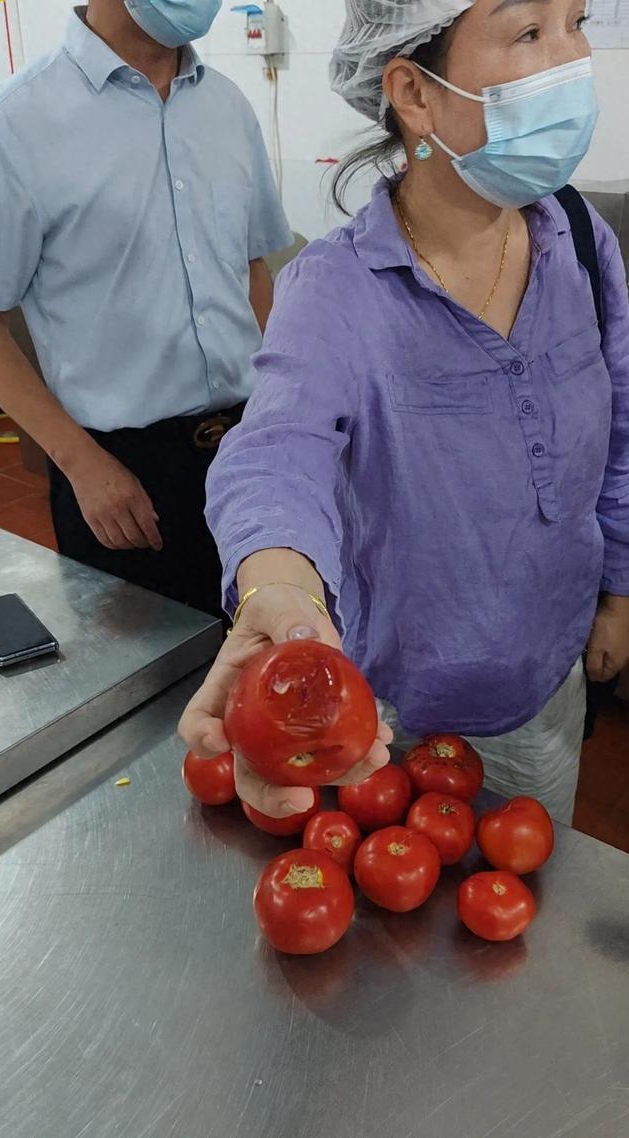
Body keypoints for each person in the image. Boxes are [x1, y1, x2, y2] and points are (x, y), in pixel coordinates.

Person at [179, 0, 629, 824]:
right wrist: (281, 592)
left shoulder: (578, 238)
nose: (571, 59)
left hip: (545, 686)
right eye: (530, 31)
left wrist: (619, 592)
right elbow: (277, 448)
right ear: (415, 94)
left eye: (578, 20)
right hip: (393, 718)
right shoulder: (338, 289)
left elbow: (623, 432)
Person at [0, 1, 292, 615]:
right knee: (156, 690)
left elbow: (251, 268)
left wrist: (288, 414)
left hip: (250, 443)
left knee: (272, 667)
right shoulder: (17, 124)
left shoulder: (226, 107)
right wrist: (80, 463)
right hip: (121, 471)